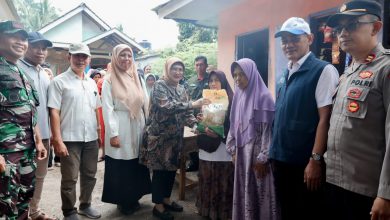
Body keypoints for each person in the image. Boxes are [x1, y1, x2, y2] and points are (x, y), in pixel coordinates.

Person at [325, 1, 390, 220]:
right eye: (339, 28)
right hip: (336, 181)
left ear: (375, 28)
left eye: (352, 24)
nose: (343, 32)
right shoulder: (347, 73)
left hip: (367, 191)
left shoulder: (385, 69)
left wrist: (386, 194)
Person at [270, 17, 339, 220]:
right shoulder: (286, 72)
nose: (288, 45)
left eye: (294, 39)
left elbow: (325, 119)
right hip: (281, 159)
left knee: (306, 212)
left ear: (309, 38)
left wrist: (315, 160)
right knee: (287, 210)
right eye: (284, 40)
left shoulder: (323, 70)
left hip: (304, 163)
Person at [139, 57, 209, 220]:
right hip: (159, 139)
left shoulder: (182, 89)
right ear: (167, 70)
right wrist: (193, 104)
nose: (177, 72)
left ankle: (166, 200)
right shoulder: (159, 86)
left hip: (175, 138)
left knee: (171, 170)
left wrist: (195, 125)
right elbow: (167, 106)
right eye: (174, 69)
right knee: (160, 172)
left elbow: (187, 114)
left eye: (180, 69)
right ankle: (158, 207)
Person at [48, 43, 102, 220]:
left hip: (91, 138)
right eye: (77, 56)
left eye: (84, 56)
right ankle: (69, 211)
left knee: (90, 174)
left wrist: (99, 132)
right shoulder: (59, 81)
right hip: (70, 138)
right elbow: (54, 111)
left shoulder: (92, 82)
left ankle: (85, 205)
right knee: (70, 178)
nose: (81, 60)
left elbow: (96, 109)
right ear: (68, 57)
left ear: (89, 59)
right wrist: (57, 139)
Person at [0, 20, 47, 220]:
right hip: (6, 155)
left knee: (23, 204)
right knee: (5, 208)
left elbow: (30, 110)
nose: (21, 42)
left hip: (26, 152)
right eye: (14, 36)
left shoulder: (19, 72)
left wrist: (37, 141)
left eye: (24, 38)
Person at [101, 44, 151, 215]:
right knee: (121, 164)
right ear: (115, 57)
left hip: (138, 124)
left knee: (136, 162)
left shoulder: (137, 77)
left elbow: (146, 102)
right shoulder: (109, 80)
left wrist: (148, 126)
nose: (126, 59)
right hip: (120, 125)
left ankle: (135, 197)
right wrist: (113, 134)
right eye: (122, 55)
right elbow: (107, 109)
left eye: (129, 56)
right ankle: (123, 201)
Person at [226, 58, 278, 220]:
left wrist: (263, 159)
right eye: (235, 75)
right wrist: (233, 150)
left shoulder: (264, 97)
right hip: (242, 156)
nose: (237, 79)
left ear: (252, 74)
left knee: (260, 194)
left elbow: (268, 133)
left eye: (242, 74)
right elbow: (233, 126)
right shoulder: (238, 96)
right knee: (244, 192)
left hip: (257, 159)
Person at [18, 31, 56, 220]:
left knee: (39, 176)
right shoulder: (16, 67)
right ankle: (21, 214)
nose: (40, 51)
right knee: (19, 178)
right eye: (35, 47)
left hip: (44, 135)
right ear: (26, 46)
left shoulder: (44, 73)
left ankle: (34, 211)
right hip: (21, 136)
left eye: (44, 48)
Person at [196, 70, 234, 220]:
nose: (213, 84)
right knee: (207, 177)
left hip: (223, 148)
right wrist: (201, 120)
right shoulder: (205, 99)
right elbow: (201, 120)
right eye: (210, 81)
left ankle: (223, 212)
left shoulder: (232, 100)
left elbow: (236, 125)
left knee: (222, 178)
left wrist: (221, 132)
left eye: (216, 80)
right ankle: (207, 210)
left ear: (223, 82)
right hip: (206, 145)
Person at [186, 55, 210, 172]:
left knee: (204, 139)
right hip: (192, 115)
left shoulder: (212, 79)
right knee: (192, 142)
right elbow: (186, 98)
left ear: (206, 65)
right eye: (197, 65)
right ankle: (194, 163)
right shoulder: (190, 81)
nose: (199, 67)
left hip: (207, 115)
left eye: (201, 64)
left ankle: (204, 164)